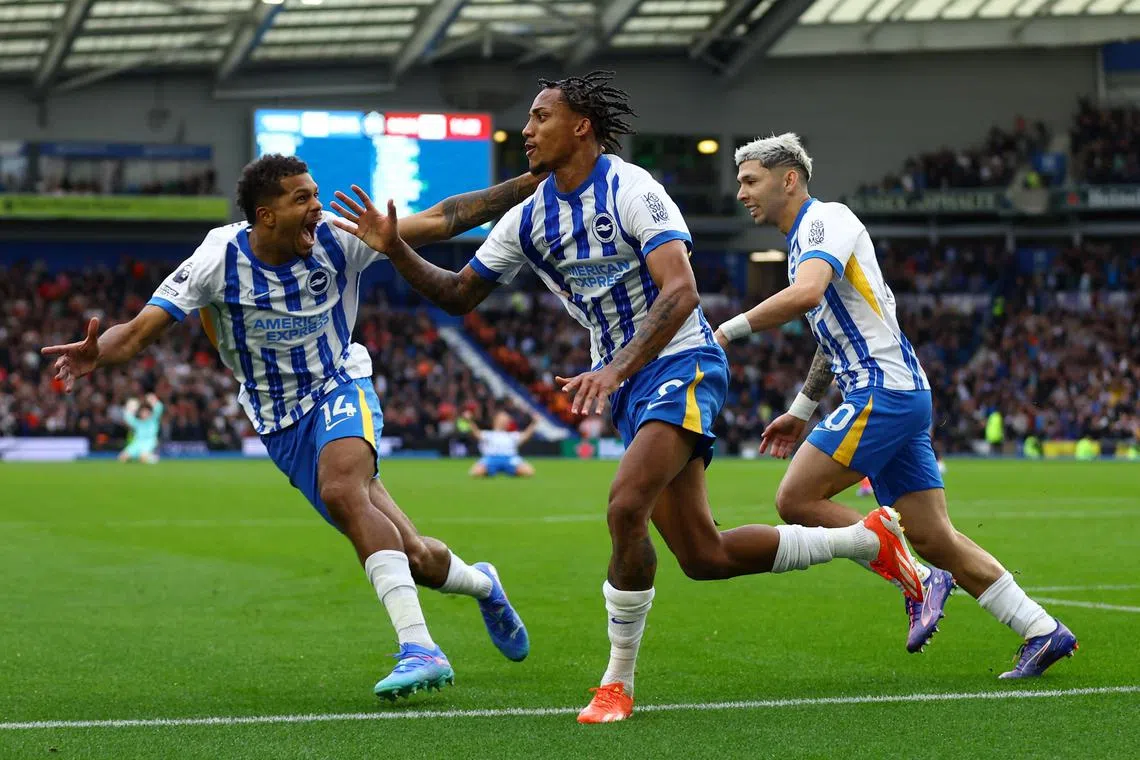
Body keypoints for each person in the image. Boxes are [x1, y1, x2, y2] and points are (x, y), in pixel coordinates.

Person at [329, 71, 924, 724]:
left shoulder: (633, 189)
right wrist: (396, 250)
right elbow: (458, 294)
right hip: (626, 385)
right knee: (705, 556)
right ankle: (867, 541)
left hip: (682, 362)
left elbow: (681, 292)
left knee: (624, 506)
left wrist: (613, 368)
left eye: (540, 117)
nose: (525, 130)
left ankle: (617, 683)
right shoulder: (528, 219)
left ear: (580, 126)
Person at [41, 155, 542, 701]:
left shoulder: (338, 238)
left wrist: (530, 183)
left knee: (342, 490)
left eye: (315, 194)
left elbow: (443, 218)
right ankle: (485, 584)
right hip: (279, 422)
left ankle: (419, 648)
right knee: (414, 555)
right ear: (266, 215)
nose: (316, 207)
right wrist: (98, 353)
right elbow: (138, 332)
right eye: (301, 198)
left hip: (340, 383)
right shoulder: (217, 259)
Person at [716, 132, 1077, 677]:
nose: (740, 192)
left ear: (788, 178)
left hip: (880, 391)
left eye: (749, 180)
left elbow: (808, 297)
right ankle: (1042, 630)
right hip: (899, 393)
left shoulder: (825, 220)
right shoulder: (804, 244)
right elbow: (827, 333)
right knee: (935, 537)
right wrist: (801, 407)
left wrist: (723, 332)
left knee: (795, 498)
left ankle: (917, 577)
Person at [466, 410, 539, 478]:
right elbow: (476, 433)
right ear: (496, 420)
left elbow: (525, 436)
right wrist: (469, 420)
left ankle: (508, 471)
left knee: (529, 472)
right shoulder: (489, 434)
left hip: (510, 458)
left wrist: (534, 423)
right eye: (503, 418)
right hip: (491, 458)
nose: (505, 421)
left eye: (507, 419)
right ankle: (492, 470)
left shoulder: (512, 435)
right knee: (473, 473)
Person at [118, 392, 164, 464]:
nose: (144, 413)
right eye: (143, 412)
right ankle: (142, 457)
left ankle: (152, 458)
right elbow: (127, 416)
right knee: (122, 458)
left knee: (143, 458)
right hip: (137, 442)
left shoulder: (153, 419)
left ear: (150, 412)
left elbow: (159, 407)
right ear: (139, 413)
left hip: (149, 442)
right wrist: (130, 407)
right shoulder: (137, 422)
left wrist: (152, 399)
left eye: (146, 412)